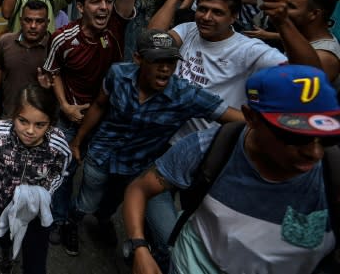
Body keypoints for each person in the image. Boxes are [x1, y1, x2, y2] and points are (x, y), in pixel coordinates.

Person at [123, 65, 340, 274]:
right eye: (294, 137)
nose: (314, 153)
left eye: (326, 139)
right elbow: (140, 189)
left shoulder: (333, 174)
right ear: (252, 117)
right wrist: (139, 247)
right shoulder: (210, 148)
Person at [68, 30, 243, 269]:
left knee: (119, 205)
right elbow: (99, 105)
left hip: (138, 167)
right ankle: (72, 222)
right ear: (138, 59)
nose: (165, 69)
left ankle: (104, 219)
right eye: (157, 61)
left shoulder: (185, 95)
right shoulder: (118, 74)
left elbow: (237, 119)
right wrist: (78, 141)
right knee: (87, 201)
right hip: (101, 155)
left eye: (170, 62)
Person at [42, 0, 142, 255]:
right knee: (65, 172)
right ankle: (58, 219)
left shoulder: (116, 26)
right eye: (95, 2)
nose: (103, 7)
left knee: (111, 175)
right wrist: (66, 106)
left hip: (112, 117)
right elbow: (53, 74)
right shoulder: (62, 39)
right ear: (81, 7)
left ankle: (93, 217)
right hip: (72, 117)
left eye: (107, 1)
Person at [149, 0, 321, 141]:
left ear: (233, 17)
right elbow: (152, 42)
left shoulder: (249, 50)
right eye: (202, 9)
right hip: (165, 134)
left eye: (217, 12)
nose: (206, 17)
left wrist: (283, 23)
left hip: (207, 144)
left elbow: (309, 74)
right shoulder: (188, 29)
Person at [0, 84, 71, 274]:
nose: (30, 131)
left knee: (36, 264)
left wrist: (44, 192)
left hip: (35, 210)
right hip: (0, 201)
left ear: (51, 123)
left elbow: (60, 171)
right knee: (4, 234)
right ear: (13, 115)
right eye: (23, 121)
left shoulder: (57, 144)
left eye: (40, 125)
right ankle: (5, 251)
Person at [0, 0, 50, 119]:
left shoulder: (54, 46)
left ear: (47, 23)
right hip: (9, 114)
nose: (33, 26)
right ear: (21, 20)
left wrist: (49, 87)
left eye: (39, 21)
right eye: (28, 20)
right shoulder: (6, 41)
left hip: (40, 119)